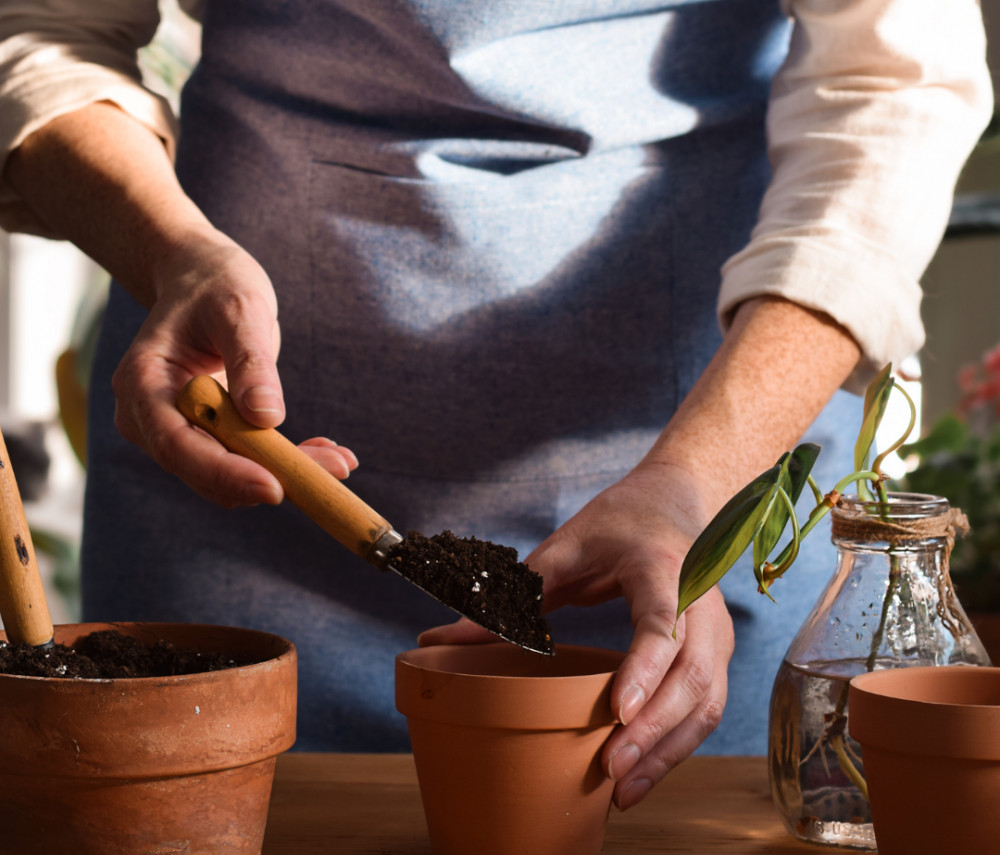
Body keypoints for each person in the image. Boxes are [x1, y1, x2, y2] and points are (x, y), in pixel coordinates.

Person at [0, 0, 991, 811]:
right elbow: (41, 30)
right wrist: (168, 251)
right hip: (242, 488)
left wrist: (691, 481)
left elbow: (890, 95)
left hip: (688, 490)